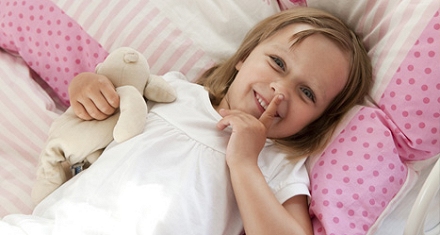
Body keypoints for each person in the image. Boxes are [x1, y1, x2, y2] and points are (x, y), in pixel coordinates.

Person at [13, 7, 370, 235]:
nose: (281, 89)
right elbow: (102, 105)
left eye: (307, 93)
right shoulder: (175, 92)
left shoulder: (277, 162)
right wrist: (85, 86)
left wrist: (245, 164)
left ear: (318, 121)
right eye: (277, 63)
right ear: (244, 58)